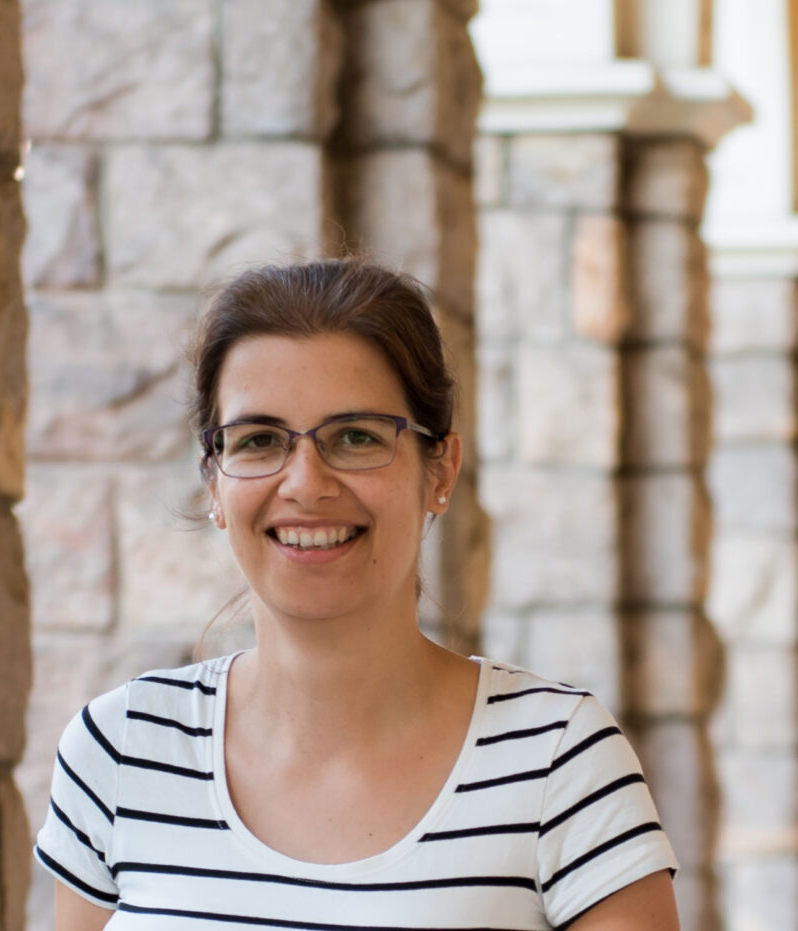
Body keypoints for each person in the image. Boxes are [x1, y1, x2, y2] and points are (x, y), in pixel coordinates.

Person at [35, 259, 680, 930]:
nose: (306, 484)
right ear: (213, 482)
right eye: (259, 440)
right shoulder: (118, 752)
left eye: (356, 436)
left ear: (441, 469)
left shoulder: (559, 760)